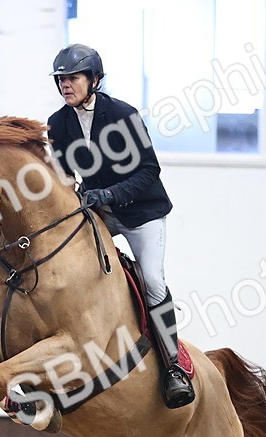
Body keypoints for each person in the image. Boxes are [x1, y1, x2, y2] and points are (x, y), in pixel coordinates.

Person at [46, 43, 195, 409]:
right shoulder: (58, 124)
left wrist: (109, 192)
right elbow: (65, 175)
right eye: (62, 80)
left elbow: (149, 171)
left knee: (153, 279)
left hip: (142, 213)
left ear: (94, 80)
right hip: (100, 211)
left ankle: (173, 366)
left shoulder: (122, 115)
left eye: (74, 78)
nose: (67, 85)